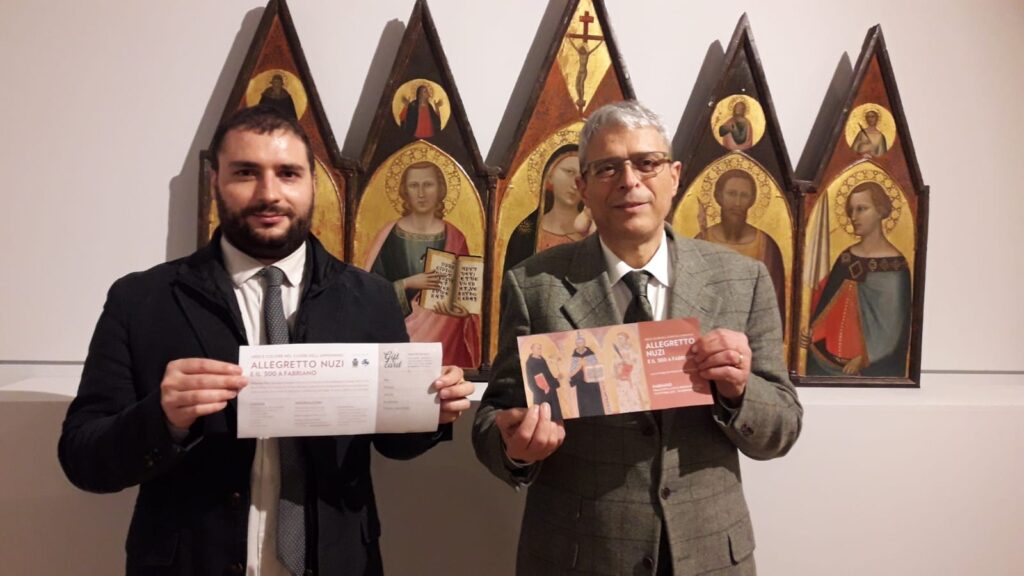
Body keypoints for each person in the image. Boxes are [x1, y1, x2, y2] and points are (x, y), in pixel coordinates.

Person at [58, 105, 475, 576]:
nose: (269, 193)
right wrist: (162, 418)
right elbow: (82, 458)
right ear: (215, 181)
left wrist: (432, 408)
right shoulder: (142, 300)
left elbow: (394, 443)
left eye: (288, 173)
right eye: (245, 173)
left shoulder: (370, 297)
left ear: (313, 184)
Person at [473, 101, 802, 575]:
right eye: (608, 168)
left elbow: (782, 428)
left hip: (710, 555)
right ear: (582, 187)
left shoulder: (742, 279)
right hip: (579, 558)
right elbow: (493, 418)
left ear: (674, 176)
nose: (629, 181)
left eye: (647, 163)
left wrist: (739, 392)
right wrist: (514, 448)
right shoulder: (534, 284)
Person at [365, 161, 481, 369]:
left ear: (440, 190)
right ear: (404, 191)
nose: (421, 193)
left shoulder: (455, 237)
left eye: (428, 185)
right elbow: (369, 295)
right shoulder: (389, 235)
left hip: (445, 342)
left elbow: (465, 296)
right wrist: (408, 283)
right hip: (397, 341)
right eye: (414, 185)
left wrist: (459, 312)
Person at [805, 181, 910, 377]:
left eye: (861, 209)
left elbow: (894, 327)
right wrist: (813, 332)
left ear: (880, 211)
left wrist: (865, 357)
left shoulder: (895, 265)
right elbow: (829, 307)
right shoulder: (846, 258)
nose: (853, 217)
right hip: (825, 361)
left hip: (870, 368)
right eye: (851, 210)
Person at [697, 169, 787, 322]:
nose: (737, 203)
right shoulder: (701, 241)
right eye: (731, 194)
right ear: (719, 196)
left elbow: (773, 307)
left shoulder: (767, 246)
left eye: (744, 195)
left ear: (752, 200)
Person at [503, 144, 589, 274]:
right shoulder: (526, 230)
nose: (575, 184)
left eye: (582, 177)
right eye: (569, 172)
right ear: (550, 174)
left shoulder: (594, 231)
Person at [523, 342, 563, 421]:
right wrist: (542, 389)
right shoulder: (530, 363)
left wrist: (556, 379)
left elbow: (548, 375)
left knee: (556, 415)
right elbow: (531, 381)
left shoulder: (542, 359)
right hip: (541, 393)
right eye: (538, 348)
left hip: (551, 391)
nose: (540, 350)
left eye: (540, 348)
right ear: (532, 349)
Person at [567, 333, 604, 417]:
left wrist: (586, 364)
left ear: (584, 343)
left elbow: (596, 367)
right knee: (585, 406)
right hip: (581, 385)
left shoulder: (591, 354)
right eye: (578, 342)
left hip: (592, 383)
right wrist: (580, 365)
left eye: (581, 342)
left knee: (596, 404)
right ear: (576, 344)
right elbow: (572, 372)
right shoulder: (574, 357)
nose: (580, 344)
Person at [612, 331, 647, 413]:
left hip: (631, 376)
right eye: (618, 339)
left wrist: (628, 362)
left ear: (626, 339)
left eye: (621, 338)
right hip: (621, 377)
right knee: (623, 396)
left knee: (633, 395)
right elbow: (614, 364)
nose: (619, 340)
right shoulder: (617, 352)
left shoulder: (632, 350)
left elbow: (638, 362)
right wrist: (617, 367)